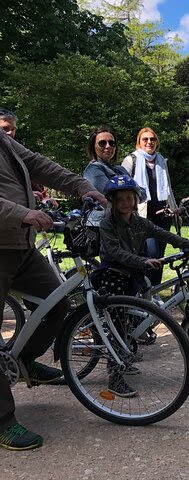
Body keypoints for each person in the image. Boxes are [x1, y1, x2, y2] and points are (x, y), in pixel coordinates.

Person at [0, 130, 106, 450]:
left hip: (22, 247)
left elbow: (37, 163)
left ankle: (24, 360)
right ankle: (4, 422)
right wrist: (24, 213)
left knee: (57, 302)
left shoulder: (3, 141)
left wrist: (82, 186)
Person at [96, 174, 189, 397]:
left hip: (131, 278)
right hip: (112, 277)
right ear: (113, 202)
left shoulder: (139, 222)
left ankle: (123, 359)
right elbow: (114, 252)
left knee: (128, 323)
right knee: (117, 327)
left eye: (130, 198)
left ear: (136, 200)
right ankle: (114, 379)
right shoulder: (107, 223)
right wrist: (143, 261)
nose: (126, 202)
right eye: (121, 199)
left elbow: (163, 234)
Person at [121, 128, 178, 286]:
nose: (149, 142)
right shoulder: (131, 160)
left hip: (164, 215)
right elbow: (122, 188)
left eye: (152, 139)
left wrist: (175, 210)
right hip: (143, 215)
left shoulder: (161, 161)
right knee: (150, 253)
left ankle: (155, 289)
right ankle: (146, 288)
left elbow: (168, 189)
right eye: (145, 139)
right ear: (139, 142)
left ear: (156, 142)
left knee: (160, 255)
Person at [0, 109, 58, 208]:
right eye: (4, 129)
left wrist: (43, 198)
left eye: (13, 129)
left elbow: (37, 164)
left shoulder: (17, 153)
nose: (10, 133)